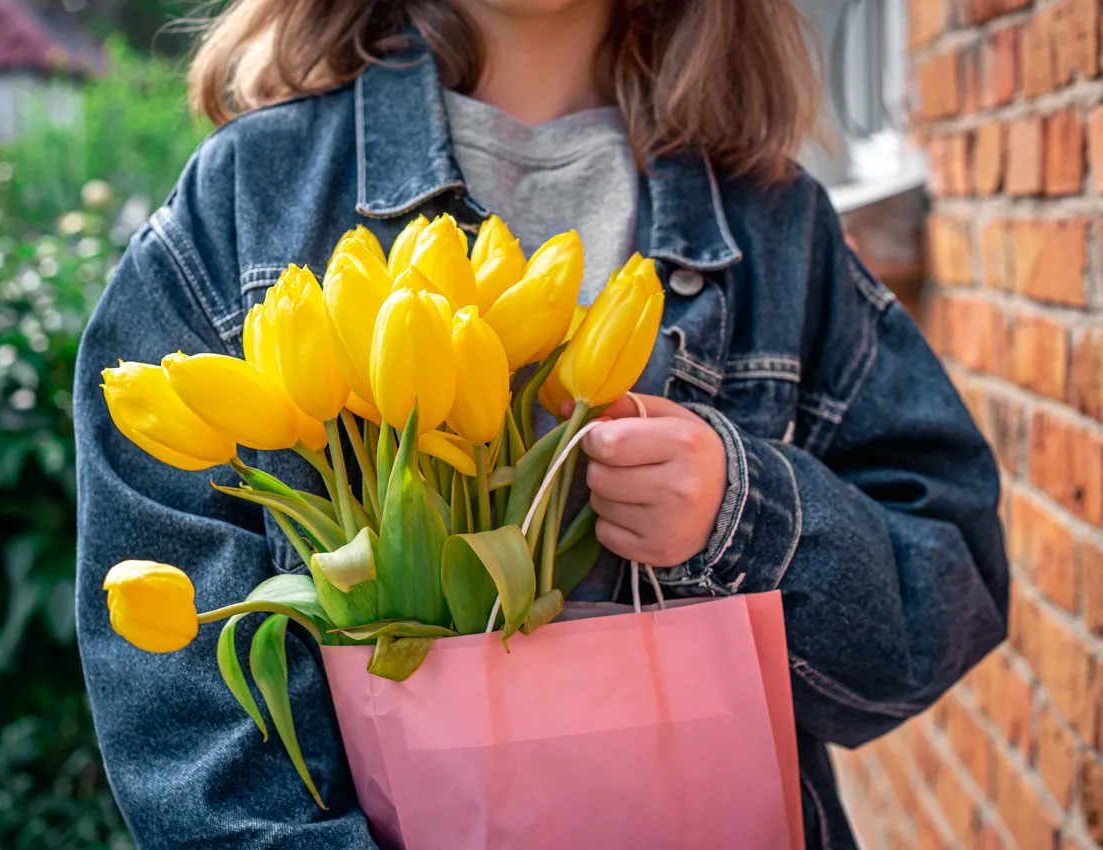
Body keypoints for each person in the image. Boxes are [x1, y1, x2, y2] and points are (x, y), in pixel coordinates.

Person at [73, 1, 1010, 847]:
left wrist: (744, 514)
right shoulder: (249, 197)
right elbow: (183, 718)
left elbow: (949, 595)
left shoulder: (775, 221)